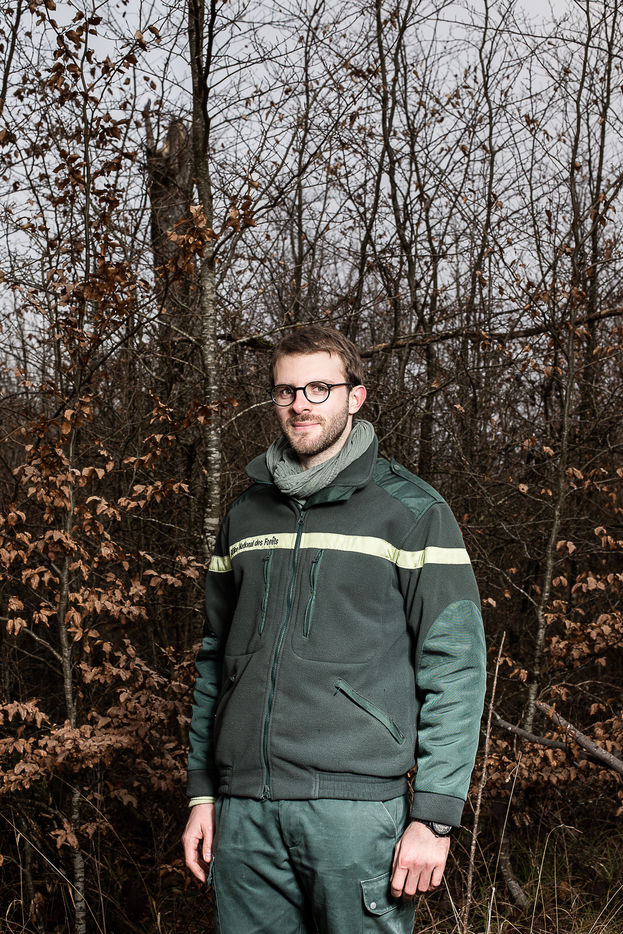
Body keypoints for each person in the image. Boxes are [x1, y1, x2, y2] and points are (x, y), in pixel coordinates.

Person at [182, 325, 486, 934]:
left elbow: (456, 666)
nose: (301, 404)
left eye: (319, 388)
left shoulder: (413, 512)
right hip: (244, 813)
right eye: (286, 390)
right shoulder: (244, 515)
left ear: (355, 396)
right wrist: (203, 792)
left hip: (356, 813)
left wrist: (434, 816)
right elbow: (216, 659)